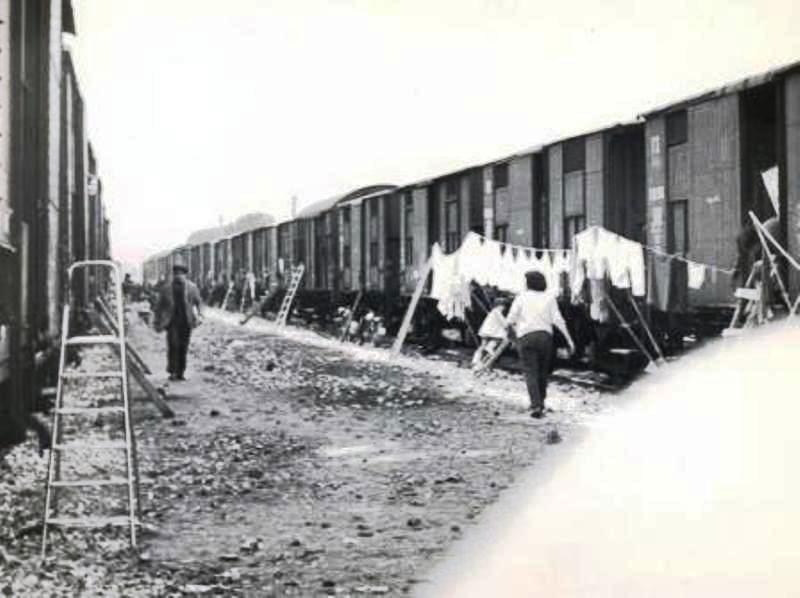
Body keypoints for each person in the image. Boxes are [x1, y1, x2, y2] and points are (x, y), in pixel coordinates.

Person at [506, 270, 575, 418]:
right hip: (545, 338)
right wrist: (569, 339)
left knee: (530, 371)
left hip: (526, 337)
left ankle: (536, 405)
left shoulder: (521, 297)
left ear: (528, 283)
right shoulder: (550, 298)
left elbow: (510, 320)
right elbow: (558, 320)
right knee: (543, 371)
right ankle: (541, 403)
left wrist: (512, 335)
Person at [154, 258, 203, 381]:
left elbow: (199, 302)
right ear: (173, 274)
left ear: (185, 275)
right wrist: (157, 320)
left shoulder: (192, 287)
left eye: (181, 273)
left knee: (183, 347)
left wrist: (200, 315)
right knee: (173, 345)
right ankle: (172, 371)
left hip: (186, 321)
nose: (178, 276)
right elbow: (159, 306)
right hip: (171, 322)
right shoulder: (166, 288)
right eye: (176, 273)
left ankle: (181, 372)